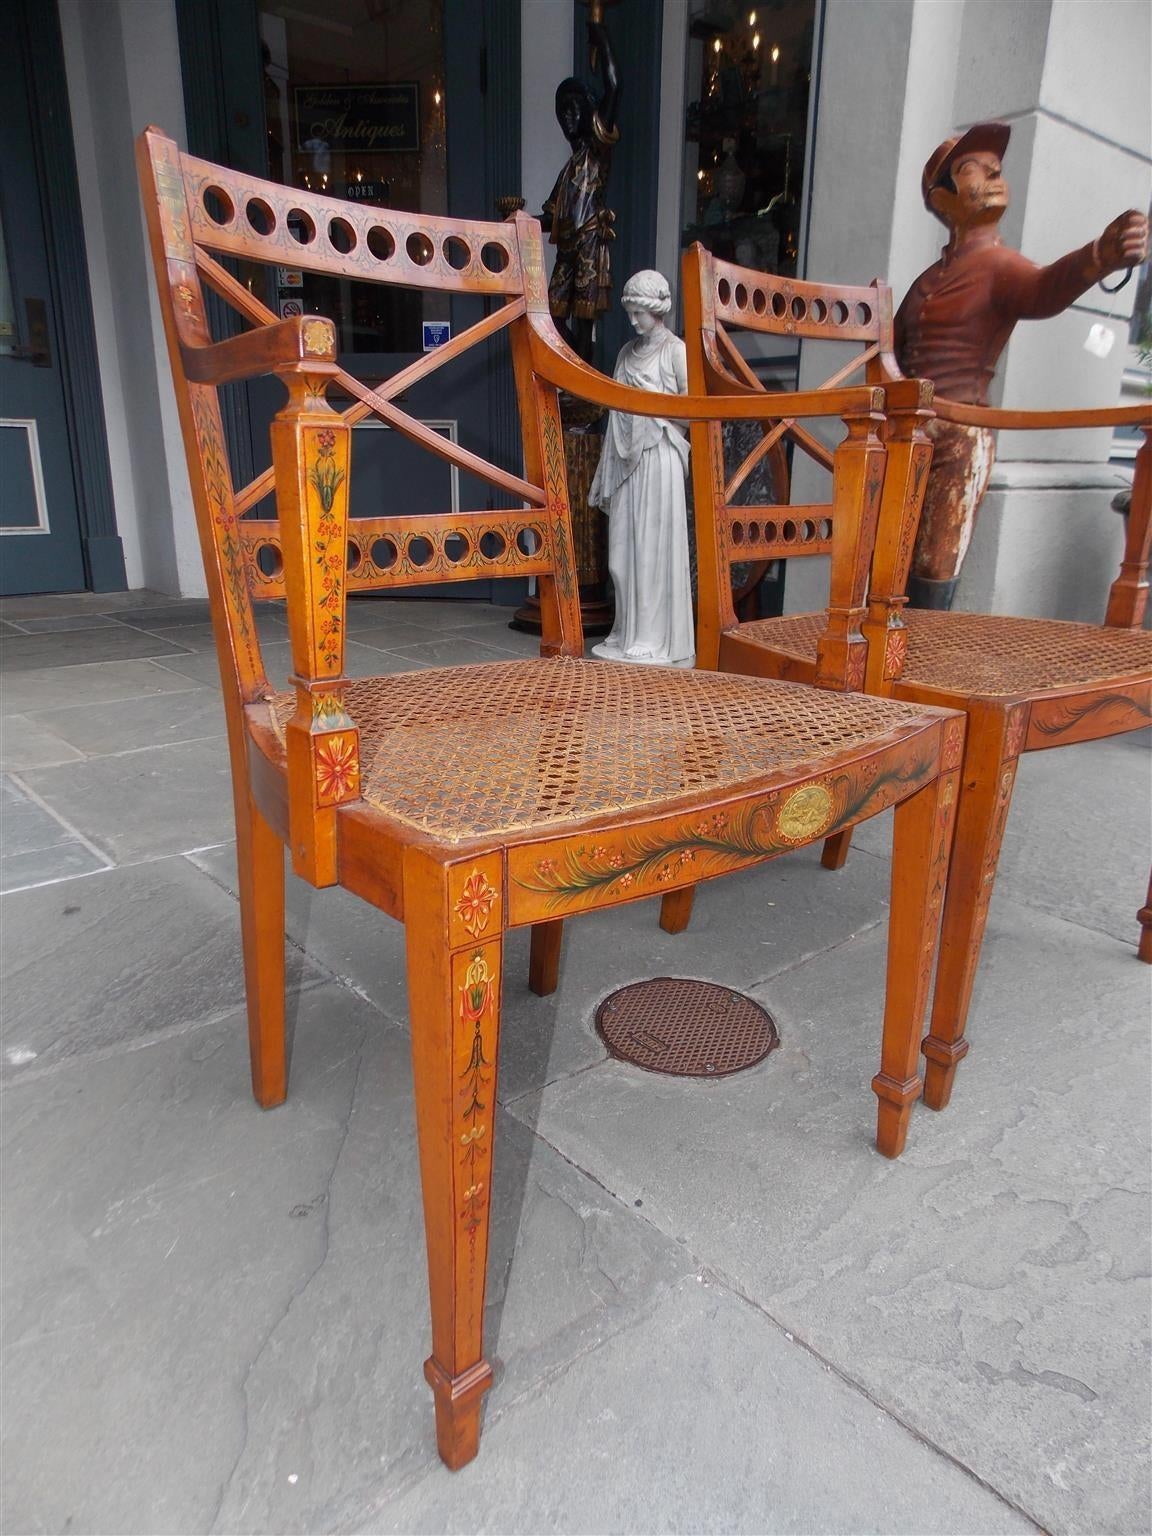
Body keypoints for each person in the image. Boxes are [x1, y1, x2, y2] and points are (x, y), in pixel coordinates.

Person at [894, 121, 1149, 608]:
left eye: (996, 168)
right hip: (905, 440)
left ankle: (914, 668)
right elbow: (891, 355)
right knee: (885, 564)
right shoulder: (925, 281)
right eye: (974, 169)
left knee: (933, 570)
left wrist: (1100, 256)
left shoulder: (1000, 266)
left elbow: (1042, 288)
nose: (993, 174)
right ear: (942, 198)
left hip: (961, 436)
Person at [589, 271, 695, 668]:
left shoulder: (675, 351)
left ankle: (651, 636)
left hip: (658, 457)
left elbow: (690, 409)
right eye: (630, 312)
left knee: (650, 551)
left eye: (640, 313)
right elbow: (615, 410)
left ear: (657, 310)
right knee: (621, 553)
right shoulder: (625, 353)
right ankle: (627, 626)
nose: (634, 321)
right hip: (625, 458)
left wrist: (652, 406)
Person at [541, 18, 620, 362]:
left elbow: (615, 86)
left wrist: (601, 37)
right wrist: (514, 219)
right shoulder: (568, 169)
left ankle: (584, 378)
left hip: (588, 241)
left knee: (585, 318)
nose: (567, 117)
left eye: (573, 108)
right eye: (562, 111)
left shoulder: (596, 152)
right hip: (567, 250)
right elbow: (548, 217)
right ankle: (580, 368)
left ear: (588, 111)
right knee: (551, 315)